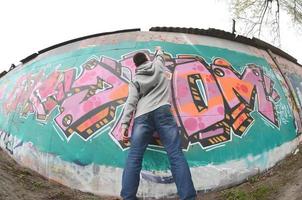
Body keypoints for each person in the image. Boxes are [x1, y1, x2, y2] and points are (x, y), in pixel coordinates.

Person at [120, 47, 196, 200]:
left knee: (134, 157)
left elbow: (131, 103)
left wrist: (124, 125)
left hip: (142, 116)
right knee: (175, 154)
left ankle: (128, 197)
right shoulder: (158, 66)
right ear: (147, 60)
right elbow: (160, 56)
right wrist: (159, 50)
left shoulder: (135, 81)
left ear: (135, 66)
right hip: (163, 112)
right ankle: (187, 196)